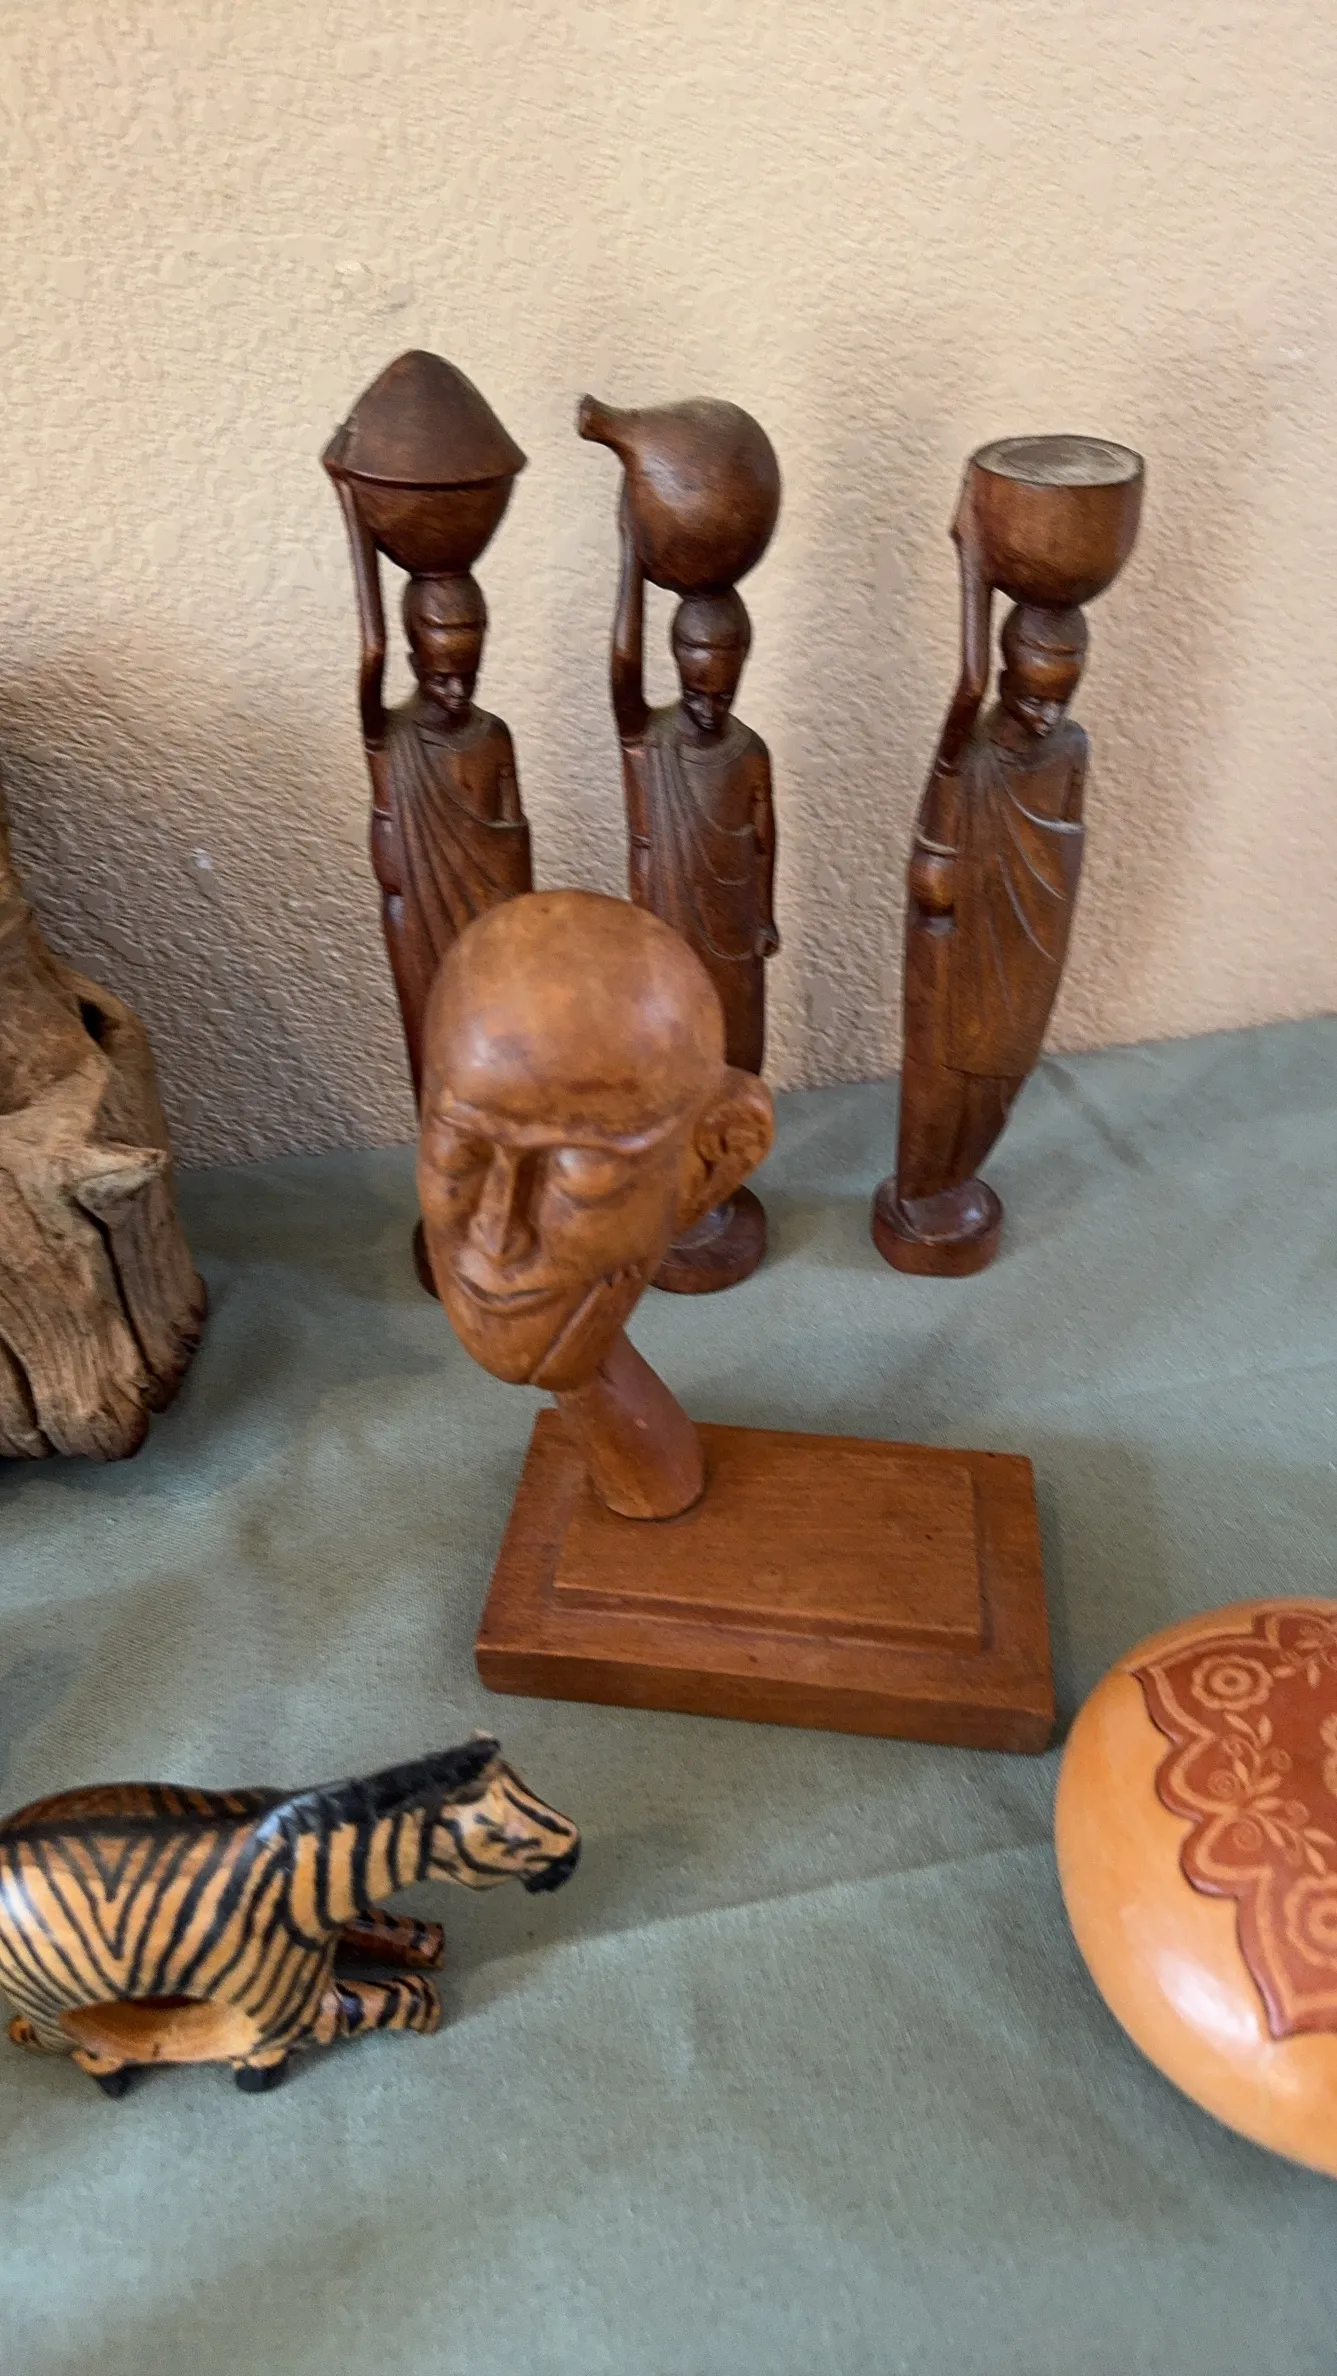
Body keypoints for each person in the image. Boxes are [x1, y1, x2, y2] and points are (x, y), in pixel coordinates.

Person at [888, 602, 1088, 1262]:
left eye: (1060, 701)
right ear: (1004, 682)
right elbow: (931, 870)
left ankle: (953, 1177)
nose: (1047, 718)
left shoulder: (1071, 751)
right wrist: (974, 573)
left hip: (1033, 942)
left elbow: (1066, 852)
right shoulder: (968, 756)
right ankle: (921, 1187)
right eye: (1032, 699)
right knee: (940, 1079)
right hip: (954, 952)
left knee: (1003, 1076)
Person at [609, 505, 777, 1078]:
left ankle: (733, 1131)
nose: (708, 708)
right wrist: (632, 555)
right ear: (676, 668)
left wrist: (766, 917)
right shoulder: (647, 740)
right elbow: (623, 664)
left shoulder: (751, 754)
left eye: (722, 695)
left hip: (736, 925)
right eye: (695, 693)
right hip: (667, 923)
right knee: (671, 1046)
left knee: (739, 1045)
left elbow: (763, 844)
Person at [365, 573, 532, 1100]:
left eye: (468, 677)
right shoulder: (391, 736)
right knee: (435, 1048)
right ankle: (444, 1145)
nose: (457, 692)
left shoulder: (494, 737)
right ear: (414, 665)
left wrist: (527, 927)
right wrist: (363, 539)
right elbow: (371, 653)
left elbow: (515, 841)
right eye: (442, 679)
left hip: (492, 914)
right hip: (419, 918)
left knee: (502, 1041)